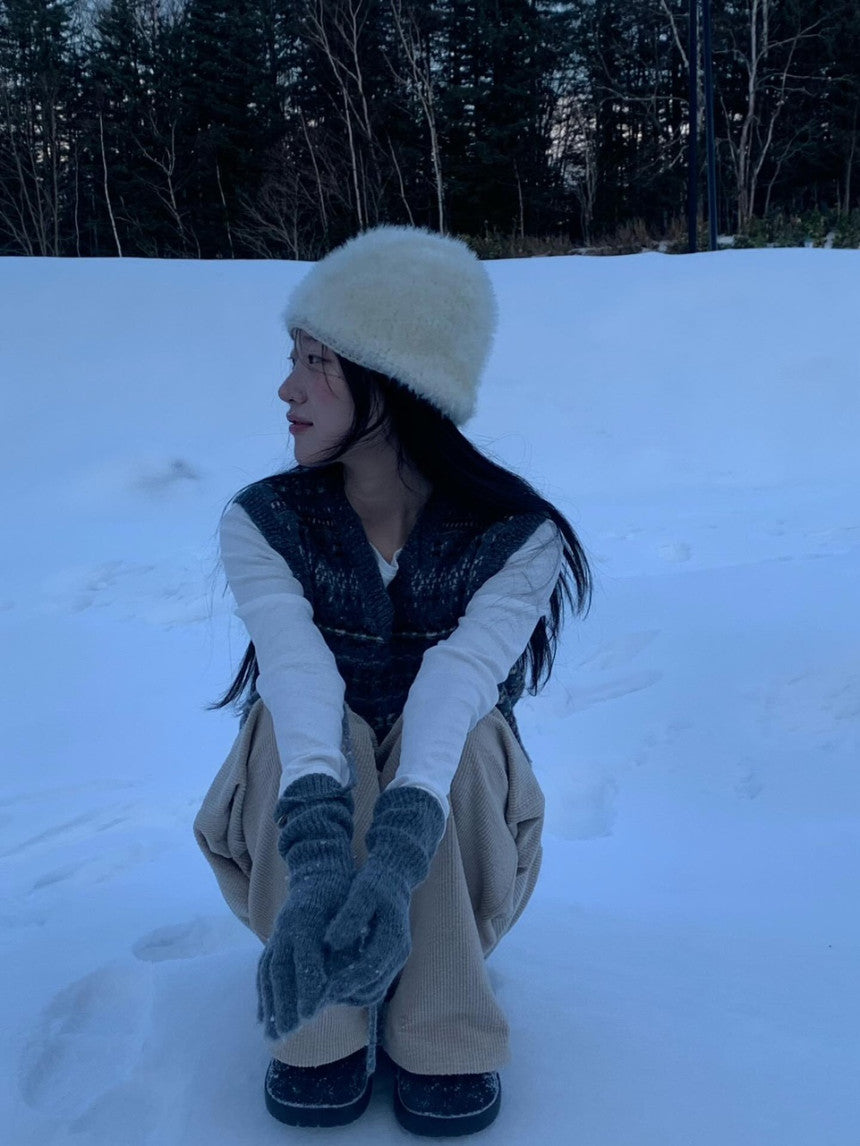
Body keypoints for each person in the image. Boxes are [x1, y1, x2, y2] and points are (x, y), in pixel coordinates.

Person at [194, 225, 592, 1136]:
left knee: (456, 735)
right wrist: (322, 862)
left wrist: (398, 851)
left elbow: (459, 680)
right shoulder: (263, 520)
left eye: (317, 362)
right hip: (300, 802)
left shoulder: (517, 536)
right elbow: (297, 675)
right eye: (294, 359)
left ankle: (442, 1026)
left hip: (459, 818)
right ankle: (322, 1023)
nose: (287, 388)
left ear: (397, 381)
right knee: (305, 728)